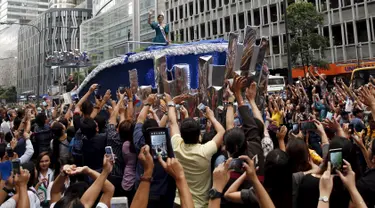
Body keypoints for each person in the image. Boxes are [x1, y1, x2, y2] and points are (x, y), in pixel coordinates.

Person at [165, 92, 225, 208]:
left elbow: (172, 123)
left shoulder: (177, 145)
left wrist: (171, 103)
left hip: (179, 202)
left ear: (181, 135)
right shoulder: (205, 151)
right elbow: (222, 132)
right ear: (199, 136)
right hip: (199, 204)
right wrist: (211, 117)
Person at [133, 94, 176, 208]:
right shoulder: (166, 144)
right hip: (162, 194)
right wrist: (169, 108)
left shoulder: (139, 142)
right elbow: (172, 124)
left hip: (142, 190)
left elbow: (140, 119)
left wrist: (147, 103)